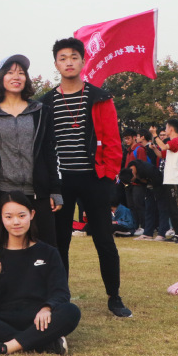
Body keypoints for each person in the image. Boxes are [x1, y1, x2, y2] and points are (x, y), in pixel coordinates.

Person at [40, 38, 130, 317]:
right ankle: (59, 297)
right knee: (59, 242)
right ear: (56, 64)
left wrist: (108, 178)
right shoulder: (45, 102)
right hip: (60, 182)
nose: (69, 62)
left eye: (74, 57)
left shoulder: (100, 97)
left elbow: (113, 142)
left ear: (83, 61)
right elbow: (43, 146)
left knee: (104, 239)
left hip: (95, 179)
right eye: (63, 58)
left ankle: (114, 296)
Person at [0, 193, 81, 356]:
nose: (16, 222)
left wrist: (47, 308)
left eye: (21, 215)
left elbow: (61, 292)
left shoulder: (48, 252)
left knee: (71, 311)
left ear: (32, 214)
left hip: (37, 318)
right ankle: (43, 343)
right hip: (2, 318)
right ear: (1, 218)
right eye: (9, 217)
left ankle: (6, 347)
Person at [0, 55, 61, 246]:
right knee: (9, 250)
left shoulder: (41, 112)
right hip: (5, 193)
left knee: (46, 249)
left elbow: (51, 152)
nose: (16, 77)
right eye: (10, 72)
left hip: (39, 193)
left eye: (21, 73)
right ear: (1, 78)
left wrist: (55, 190)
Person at [150, 119, 178, 243]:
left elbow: (163, 146)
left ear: (171, 129)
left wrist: (155, 135)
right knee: (172, 208)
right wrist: (154, 148)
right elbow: (161, 154)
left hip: (175, 180)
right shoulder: (172, 142)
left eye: (166, 127)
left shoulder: (177, 140)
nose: (165, 129)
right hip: (169, 179)